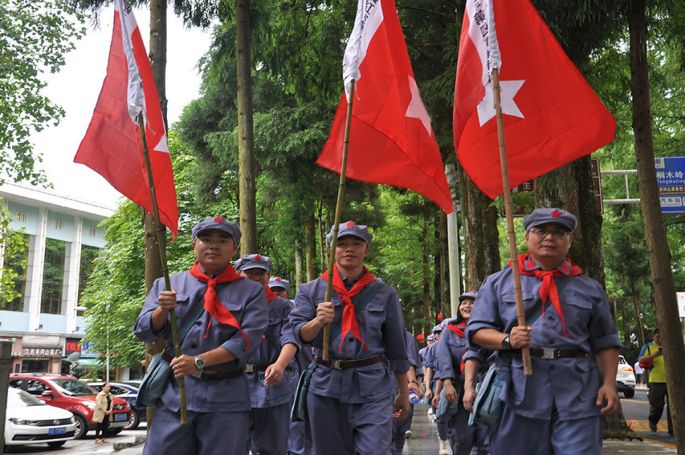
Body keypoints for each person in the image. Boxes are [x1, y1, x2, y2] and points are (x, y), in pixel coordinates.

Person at [467, 208, 621, 455]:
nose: (550, 237)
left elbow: (605, 341)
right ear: (527, 236)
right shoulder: (499, 282)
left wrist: (609, 384)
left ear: (569, 241)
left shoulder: (589, 288)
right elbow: (476, 331)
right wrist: (508, 339)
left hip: (578, 391)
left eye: (559, 232)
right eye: (541, 230)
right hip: (520, 390)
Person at [134, 217, 268, 455]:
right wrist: (161, 310)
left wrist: (199, 361)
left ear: (234, 248)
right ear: (194, 244)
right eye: (206, 239)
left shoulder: (251, 291)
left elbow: (248, 339)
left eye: (223, 240)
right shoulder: (167, 284)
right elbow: (143, 331)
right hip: (175, 395)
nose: (213, 245)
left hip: (227, 397)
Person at [287, 221, 410, 454]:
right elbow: (297, 335)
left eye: (356, 243)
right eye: (341, 244)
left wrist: (403, 392)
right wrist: (317, 321)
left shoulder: (384, 293)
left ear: (367, 250)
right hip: (326, 386)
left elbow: (397, 348)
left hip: (373, 386)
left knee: (376, 450)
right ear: (331, 249)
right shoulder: (311, 290)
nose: (349, 249)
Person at [234, 254, 299, 454]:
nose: (255, 276)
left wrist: (280, 364)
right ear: (238, 274)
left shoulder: (284, 307)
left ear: (268, 276)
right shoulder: (228, 304)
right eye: (249, 272)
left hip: (272, 386)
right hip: (234, 385)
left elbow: (291, 338)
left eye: (260, 272)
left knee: (272, 449)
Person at [434, 291, 489, 455]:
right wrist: (448, 383)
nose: (467, 306)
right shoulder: (450, 330)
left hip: (484, 388)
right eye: (464, 303)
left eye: (472, 303)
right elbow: (443, 358)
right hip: (459, 390)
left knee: (485, 441)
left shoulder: (488, 329)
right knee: (463, 438)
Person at [391, 330, 422, 454]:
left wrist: (412, 382)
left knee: (398, 430)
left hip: (399, 386)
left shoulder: (403, 335)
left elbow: (406, 360)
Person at [639, 328, 673, 434]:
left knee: (673, 406)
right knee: (657, 405)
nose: (660, 339)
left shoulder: (670, 345)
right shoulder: (648, 346)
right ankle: (653, 420)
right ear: (653, 336)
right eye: (658, 337)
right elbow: (640, 360)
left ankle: (673, 430)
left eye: (662, 336)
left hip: (671, 380)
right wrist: (655, 355)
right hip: (656, 380)